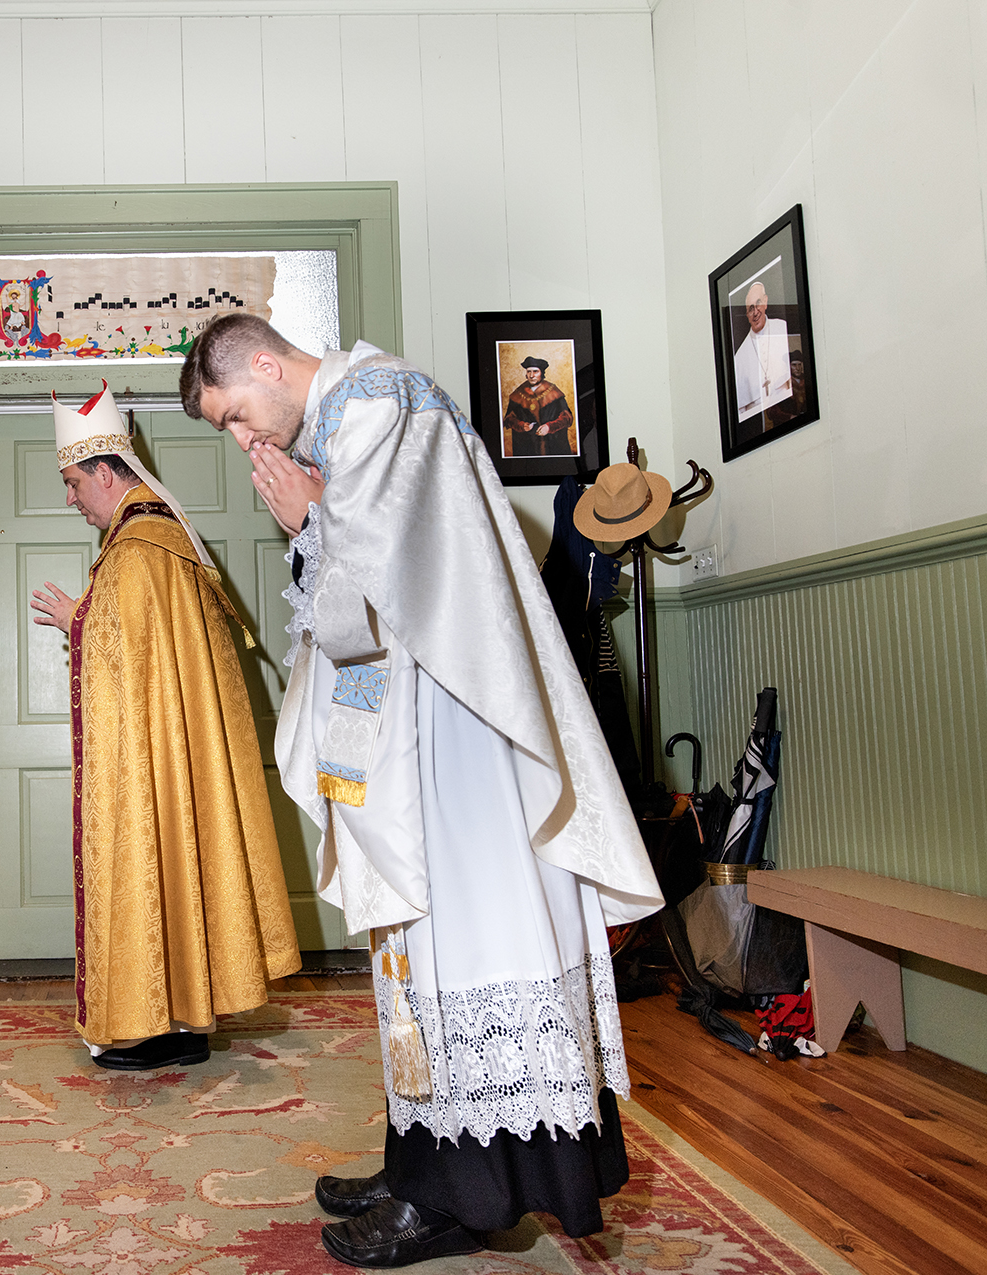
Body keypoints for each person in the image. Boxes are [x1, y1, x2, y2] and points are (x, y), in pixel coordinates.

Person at [181, 314, 662, 1265]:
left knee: (465, 939)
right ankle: (424, 1159)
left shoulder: (377, 407)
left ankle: (464, 1197)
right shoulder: (349, 419)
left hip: (454, 737)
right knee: (424, 957)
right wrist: (314, 521)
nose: (246, 441)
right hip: (416, 727)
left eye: (237, 414)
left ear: (268, 365)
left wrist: (310, 520)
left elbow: (392, 584)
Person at [28, 382, 300, 1071]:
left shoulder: (137, 551)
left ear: (104, 471)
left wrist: (76, 619)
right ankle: (185, 1020)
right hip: (175, 752)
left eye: (71, 483)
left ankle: (156, 1022)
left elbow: (124, 651)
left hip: (151, 762)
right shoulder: (160, 537)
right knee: (184, 855)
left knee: (153, 854)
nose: (70, 499)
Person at [733, 281, 792, 424]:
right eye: (750, 309)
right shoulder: (739, 357)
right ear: (746, 314)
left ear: (765, 302)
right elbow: (742, 412)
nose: (755, 313)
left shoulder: (782, 328)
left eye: (758, 303)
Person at [502, 355, 574, 457]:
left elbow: (567, 418)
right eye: (529, 372)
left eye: (535, 371)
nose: (531, 375)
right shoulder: (518, 394)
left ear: (542, 373)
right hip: (527, 449)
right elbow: (509, 419)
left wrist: (549, 427)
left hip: (552, 447)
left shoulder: (553, 392)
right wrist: (522, 425)